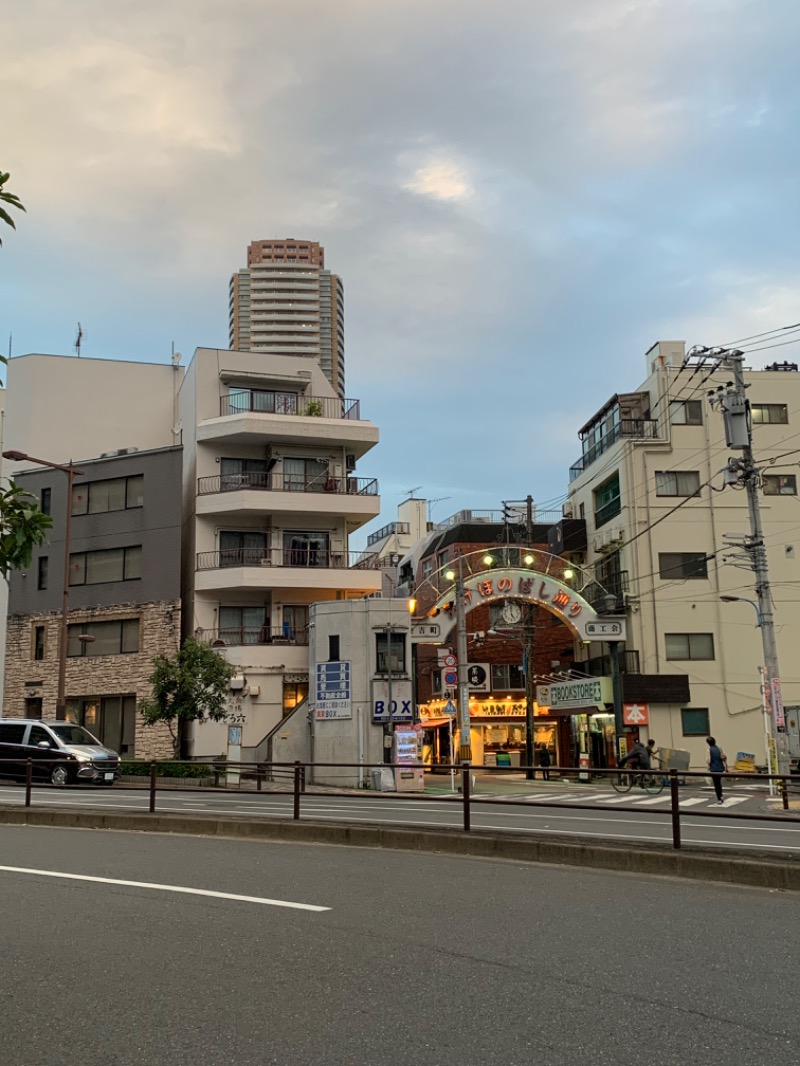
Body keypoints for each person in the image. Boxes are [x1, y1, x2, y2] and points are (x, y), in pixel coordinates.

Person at [706, 736, 728, 804]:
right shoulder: (719, 749)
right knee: (719, 783)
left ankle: (719, 798)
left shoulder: (709, 750)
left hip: (713, 768)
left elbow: (708, 760)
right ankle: (721, 796)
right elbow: (724, 757)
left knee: (716, 784)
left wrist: (708, 767)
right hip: (721, 768)